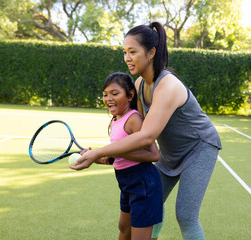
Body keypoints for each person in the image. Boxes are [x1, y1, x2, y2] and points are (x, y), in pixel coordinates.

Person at [70, 22, 222, 240]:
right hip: (170, 153)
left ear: (151, 53)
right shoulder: (140, 84)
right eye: (125, 52)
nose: (127, 58)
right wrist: (106, 157)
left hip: (199, 148)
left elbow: (147, 136)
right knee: (152, 201)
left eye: (133, 52)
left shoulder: (168, 86)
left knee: (186, 216)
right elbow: (136, 136)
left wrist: (100, 152)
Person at [77, 72, 163, 240]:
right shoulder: (116, 120)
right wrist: (94, 157)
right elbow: (117, 158)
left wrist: (111, 151)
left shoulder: (133, 119)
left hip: (143, 182)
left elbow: (153, 154)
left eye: (115, 94)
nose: (108, 98)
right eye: (105, 94)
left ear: (130, 95)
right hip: (125, 182)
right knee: (124, 229)